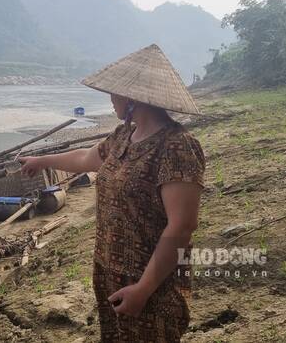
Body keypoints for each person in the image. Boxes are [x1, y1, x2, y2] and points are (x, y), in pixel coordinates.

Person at [20, 44, 205, 342]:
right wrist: (42, 161)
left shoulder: (177, 146)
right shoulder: (123, 136)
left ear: (133, 98)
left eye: (114, 93)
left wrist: (144, 289)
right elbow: (85, 159)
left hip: (150, 280)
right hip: (108, 270)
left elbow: (182, 226)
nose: (110, 100)